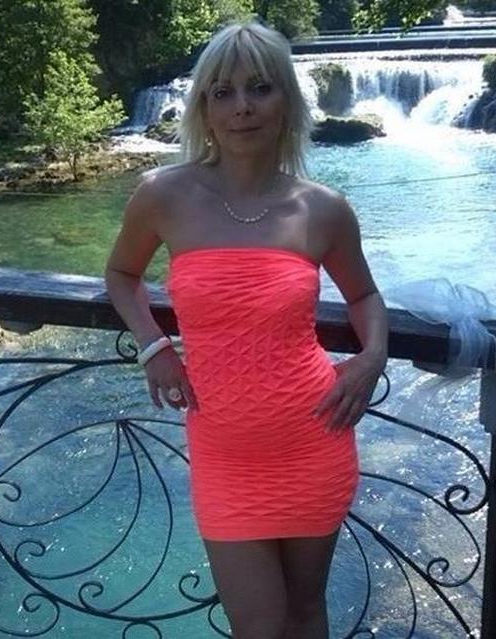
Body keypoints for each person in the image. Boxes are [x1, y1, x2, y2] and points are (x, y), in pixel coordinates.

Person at [104, 20, 389, 639]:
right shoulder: (162, 194)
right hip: (224, 450)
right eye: (223, 92)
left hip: (314, 435)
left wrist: (371, 359)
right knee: (258, 624)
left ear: (286, 100)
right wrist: (155, 346)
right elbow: (122, 275)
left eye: (260, 88)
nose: (242, 108)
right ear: (204, 108)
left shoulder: (323, 208)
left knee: (307, 612)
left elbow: (364, 295)